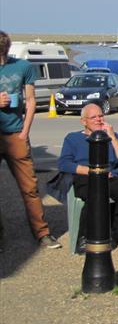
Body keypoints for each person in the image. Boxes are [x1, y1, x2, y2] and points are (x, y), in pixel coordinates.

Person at [0, 30, 61, 249]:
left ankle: (42, 233)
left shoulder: (23, 67)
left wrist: (25, 131)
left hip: (16, 134)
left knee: (30, 187)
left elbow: (31, 100)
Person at [57, 102, 118, 248]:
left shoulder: (114, 137)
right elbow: (64, 163)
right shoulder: (73, 138)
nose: (99, 119)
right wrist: (92, 172)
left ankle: (117, 234)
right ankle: (86, 235)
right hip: (86, 177)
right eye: (93, 117)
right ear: (84, 121)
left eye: (101, 116)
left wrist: (112, 137)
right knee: (96, 195)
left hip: (111, 178)